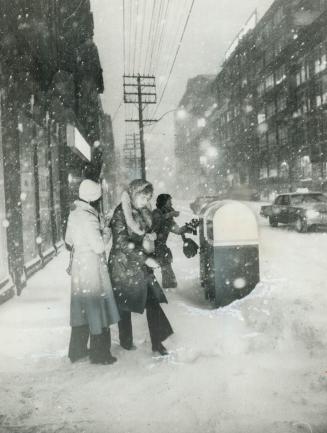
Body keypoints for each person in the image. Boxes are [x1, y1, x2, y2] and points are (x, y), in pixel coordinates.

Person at [108, 179, 173, 356]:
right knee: (124, 305)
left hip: (138, 263)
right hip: (123, 265)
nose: (147, 201)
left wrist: (151, 237)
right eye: (144, 197)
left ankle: (158, 342)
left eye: (148, 198)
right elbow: (121, 243)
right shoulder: (121, 213)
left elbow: (145, 234)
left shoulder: (143, 211)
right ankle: (126, 341)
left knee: (152, 301)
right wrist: (145, 258)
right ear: (135, 194)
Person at [65, 179, 120, 365]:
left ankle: (77, 350)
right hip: (92, 267)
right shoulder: (88, 217)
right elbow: (98, 246)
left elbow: (68, 242)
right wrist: (106, 231)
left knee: (81, 308)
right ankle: (100, 354)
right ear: (93, 198)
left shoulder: (74, 213)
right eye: (98, 198)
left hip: (80, 268)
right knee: (97, 307)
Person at [152, 194, 189, 289]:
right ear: (164, 203)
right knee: (164, 269)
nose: (171, 203)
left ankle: (170, 292)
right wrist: (170, 214)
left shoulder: (168, 219)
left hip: (161, 247)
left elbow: (178, 230)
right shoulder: (156, 212)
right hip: (153, 246)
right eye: (169, 201)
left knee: (167, 270)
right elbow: (156, 223)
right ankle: (169, 293)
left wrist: (189, 227)